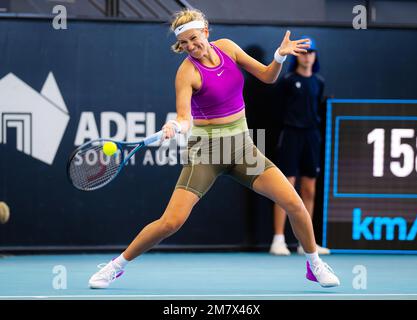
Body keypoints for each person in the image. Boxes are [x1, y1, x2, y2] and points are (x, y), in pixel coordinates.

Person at [88, 9, 340, 289]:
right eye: (184, 44)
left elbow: (268, 77)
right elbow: (185, 119)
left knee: (294, 203)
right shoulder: (186, 73)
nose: (191, 47)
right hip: (207, 152)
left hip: (243, 148)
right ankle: (115, 266)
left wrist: (279, 57)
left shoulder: (229, 48)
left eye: (194, 39)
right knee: (171, 222)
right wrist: (175, 126)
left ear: (206, 32)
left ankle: (315, 265)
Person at [269, 37, 330, 256]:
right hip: (291, 136)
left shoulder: (318, 81)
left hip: (311, 137)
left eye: (311, 52)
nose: (307, 56)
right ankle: (278, 239)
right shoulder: (287, 81)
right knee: (286, 189)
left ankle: (306, 243)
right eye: (304, 53)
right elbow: (277, 111)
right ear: (298, 56)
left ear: (315, 56)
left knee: (309, 190)